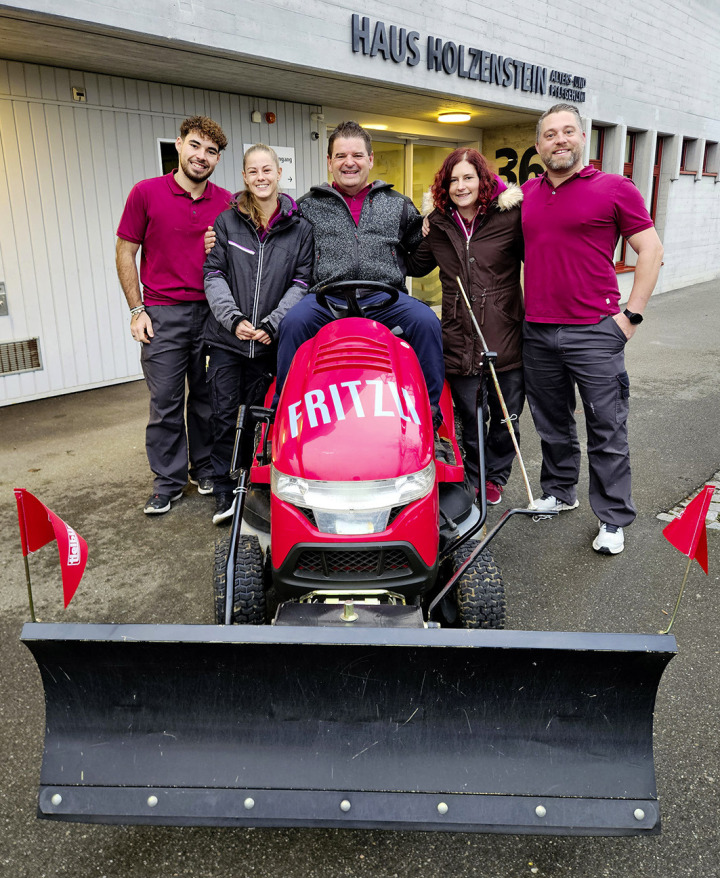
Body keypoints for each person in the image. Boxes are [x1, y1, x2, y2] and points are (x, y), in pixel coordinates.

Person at [522, 103, 664, 555]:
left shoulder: (615, 188)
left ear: (583, 138)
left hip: (595, 331)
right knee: (551, 424)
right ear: (539, 144)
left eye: (567, 132)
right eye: (549, 134)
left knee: (608, 427)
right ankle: (560, 493)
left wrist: (631, 317)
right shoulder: (526, 194)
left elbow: (650, 249)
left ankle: (613, 518)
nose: (559, 140)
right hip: (538, 331)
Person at [274, 121, 445, 418]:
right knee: (292, 324)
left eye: (356, 155)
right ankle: (284, 414)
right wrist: (219, 240)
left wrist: (438, 224)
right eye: (340, 156)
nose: (349, 162)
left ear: (370, 159)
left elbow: (420, 247)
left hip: (386, 300)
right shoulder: (308, 206)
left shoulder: (398, 204)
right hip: (325, 301)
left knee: (427, 321)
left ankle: (428, 413)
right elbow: (279, 242)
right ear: (329, 162)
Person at [116, 116, 232, 515]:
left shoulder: (226, 201)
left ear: (217, 159)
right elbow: (125, 251)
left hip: (212, 313)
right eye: (196, 145)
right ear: (179, 145)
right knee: (165, 400)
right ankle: (167, 481)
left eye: (211, 151)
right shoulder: (146, 193)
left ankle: (204, 469)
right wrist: (137, 310)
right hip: (162, 313)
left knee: (207, 398)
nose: (202, 156)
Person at [203, 144, 314, 524]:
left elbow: (302, 282)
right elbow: (213, 275)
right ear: (245, 176)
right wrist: (233, 320)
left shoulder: (300, 227)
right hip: (227, 339)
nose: (261, 177)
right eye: (253, 171)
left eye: (267, 170)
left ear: (279, 173)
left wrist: (272, 325)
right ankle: (223, 490)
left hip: (269, 343)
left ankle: (250, 486)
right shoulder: (226, 222)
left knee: (260, 418)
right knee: (221, 415)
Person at [406, 148, 524, 503]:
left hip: (505, 332)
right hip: (458, 334)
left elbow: (544, 252)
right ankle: (475, 475)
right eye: (453, 179)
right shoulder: (440, 224)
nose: (461, 186)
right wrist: (418, 227)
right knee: (472, 416)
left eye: (468, 177)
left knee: (506, 416)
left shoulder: (511, 216)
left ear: (483, 180)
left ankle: (496, 477)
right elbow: (414, 265)